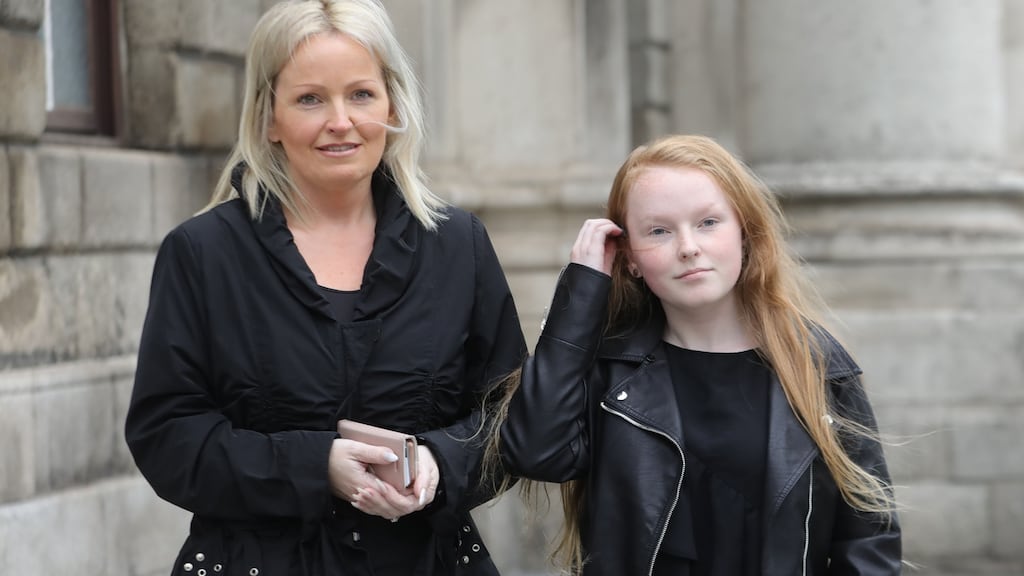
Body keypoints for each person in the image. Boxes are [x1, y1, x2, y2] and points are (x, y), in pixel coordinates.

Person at [125, 1, 526, 575]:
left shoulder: (457, 244)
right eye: (310, 98)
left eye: (361, 94)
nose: (341, 121)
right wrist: (315, 467)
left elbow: (508, 413)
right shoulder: (202, 254)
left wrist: (442, 462)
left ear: (392, 104)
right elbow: (167, 436)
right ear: (269, 117)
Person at [490, 134, 901, 575]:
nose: (688, 247)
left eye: (707, 222)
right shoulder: (610, 374)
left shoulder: (817, 365)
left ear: (745, 231)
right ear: (629, 257)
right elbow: (534, 452)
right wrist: (582, 295)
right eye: (659, 231)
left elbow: (868, 539)